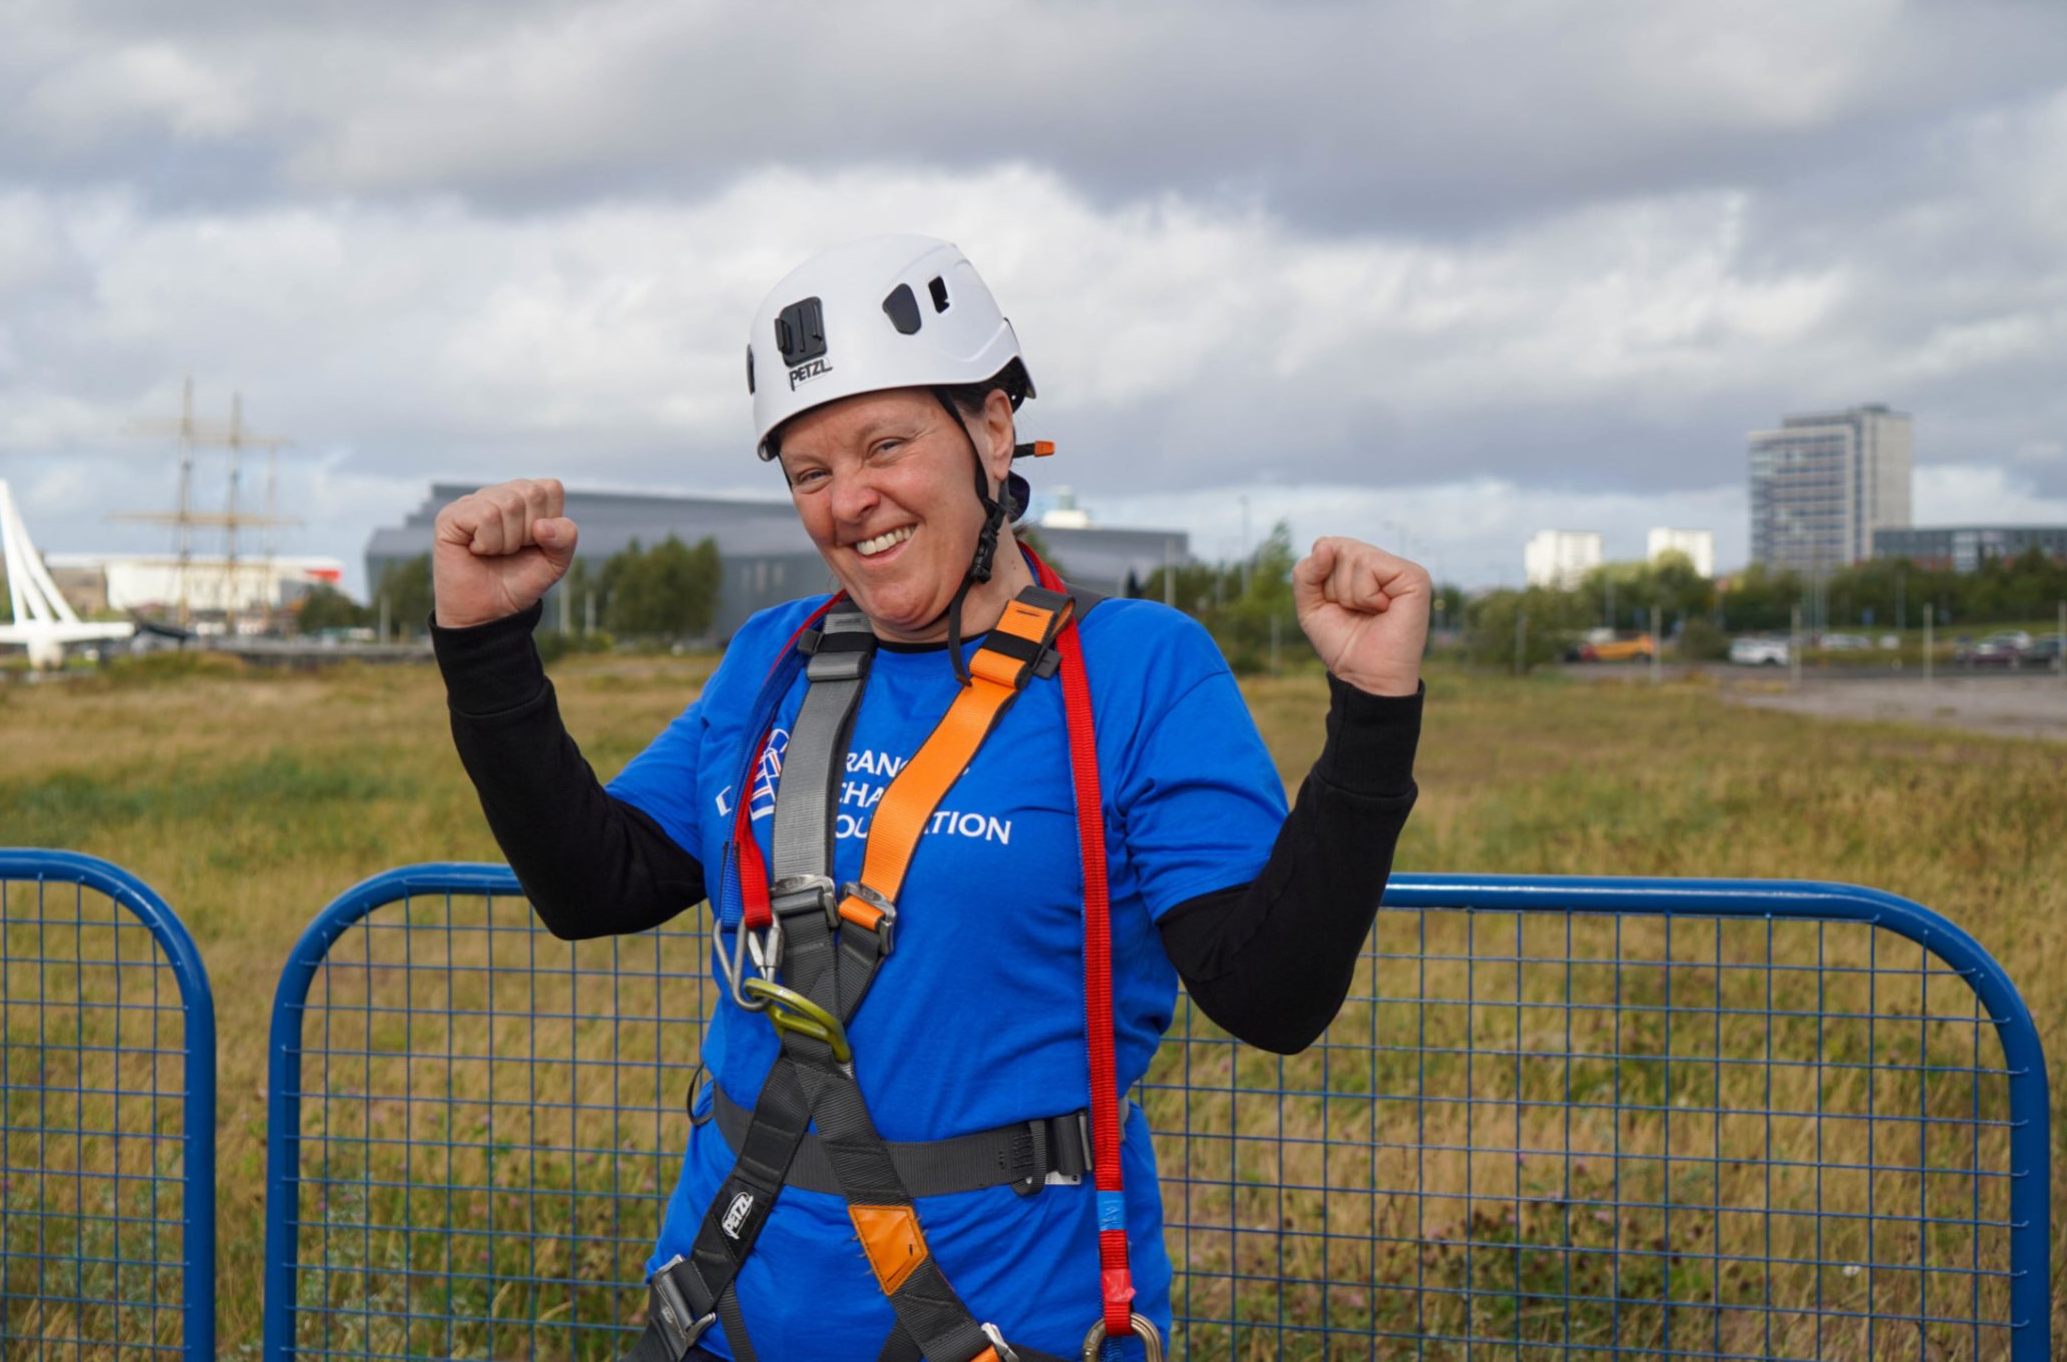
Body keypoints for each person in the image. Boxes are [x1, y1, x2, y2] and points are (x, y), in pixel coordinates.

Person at [433, 235, 1425, 1362]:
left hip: (1005, 1325)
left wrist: (1372, 723)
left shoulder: (1140, 669)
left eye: (885, 444)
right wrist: (484, 648)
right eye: (809, 472)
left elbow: (1271, 996)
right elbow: (594, 883)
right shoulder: (772, 659)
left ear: (993, 432)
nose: (851, 501)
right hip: (724, 1315)